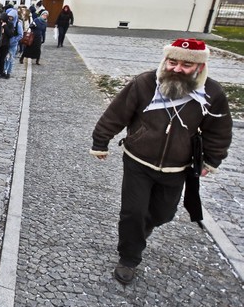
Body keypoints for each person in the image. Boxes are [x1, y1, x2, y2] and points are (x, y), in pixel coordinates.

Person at [90, 38, 233, 285]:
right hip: (138, 161)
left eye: (186, 65)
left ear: (199, 67)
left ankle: (139, 233)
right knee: (133, 212)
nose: (177, 69)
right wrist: (100, 141)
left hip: (177, 168)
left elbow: (218, 130)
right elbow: (116, 113)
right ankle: (129, 257)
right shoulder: (144, 83)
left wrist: (212, 160)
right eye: (172, 61)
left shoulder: (213, 93)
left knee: (163, 214)